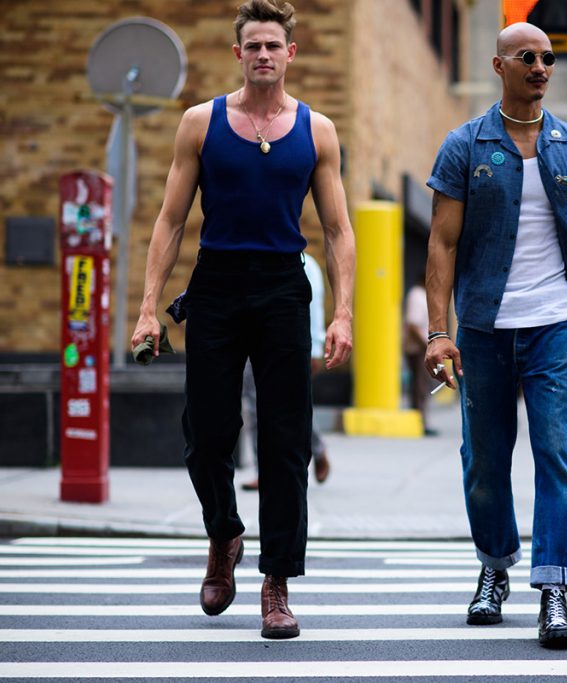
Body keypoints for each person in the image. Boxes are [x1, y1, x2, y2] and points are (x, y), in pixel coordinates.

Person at [129, 0, 355, 640]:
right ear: (238, 54)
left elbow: (338, 230)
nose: (262, 55)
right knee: (206, 434)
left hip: (285, 288)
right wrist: (149, 308)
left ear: (290, 53)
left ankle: (276, 582)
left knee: (287, 444)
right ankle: (224, 532)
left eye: (272, 46)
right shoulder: (201, 124)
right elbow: (171, 221)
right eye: (252, 45)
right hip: (216, 288)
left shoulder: (318, 131)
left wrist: (342, 314)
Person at [424, 22, 567, 650]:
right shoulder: (465, 144)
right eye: (527, 57)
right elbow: (442, 242)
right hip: (485, 328)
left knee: (556, 456)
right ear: (499, 65)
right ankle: (495, 564)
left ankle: (555, 591)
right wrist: (440, 332)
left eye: (547, 58)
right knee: (484, 462)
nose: (541, 66)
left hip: (555, 325)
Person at [241, 251, 332, 491]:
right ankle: (262, 470)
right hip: (252, 341)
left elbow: (314, 310)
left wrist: (315, 348)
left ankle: (317, 448)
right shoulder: (250, 257)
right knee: (254, 407)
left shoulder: (305, 264)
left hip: (293, 344)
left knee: (291, 407)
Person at [403, 272, 436, 435]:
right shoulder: (417, 296)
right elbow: (413, 325)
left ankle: (419, 420)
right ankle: (419, 422)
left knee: (421, 385)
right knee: (421, 386)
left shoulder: (422, 295)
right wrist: (427, 344)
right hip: (418, 349)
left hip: (421, 348)